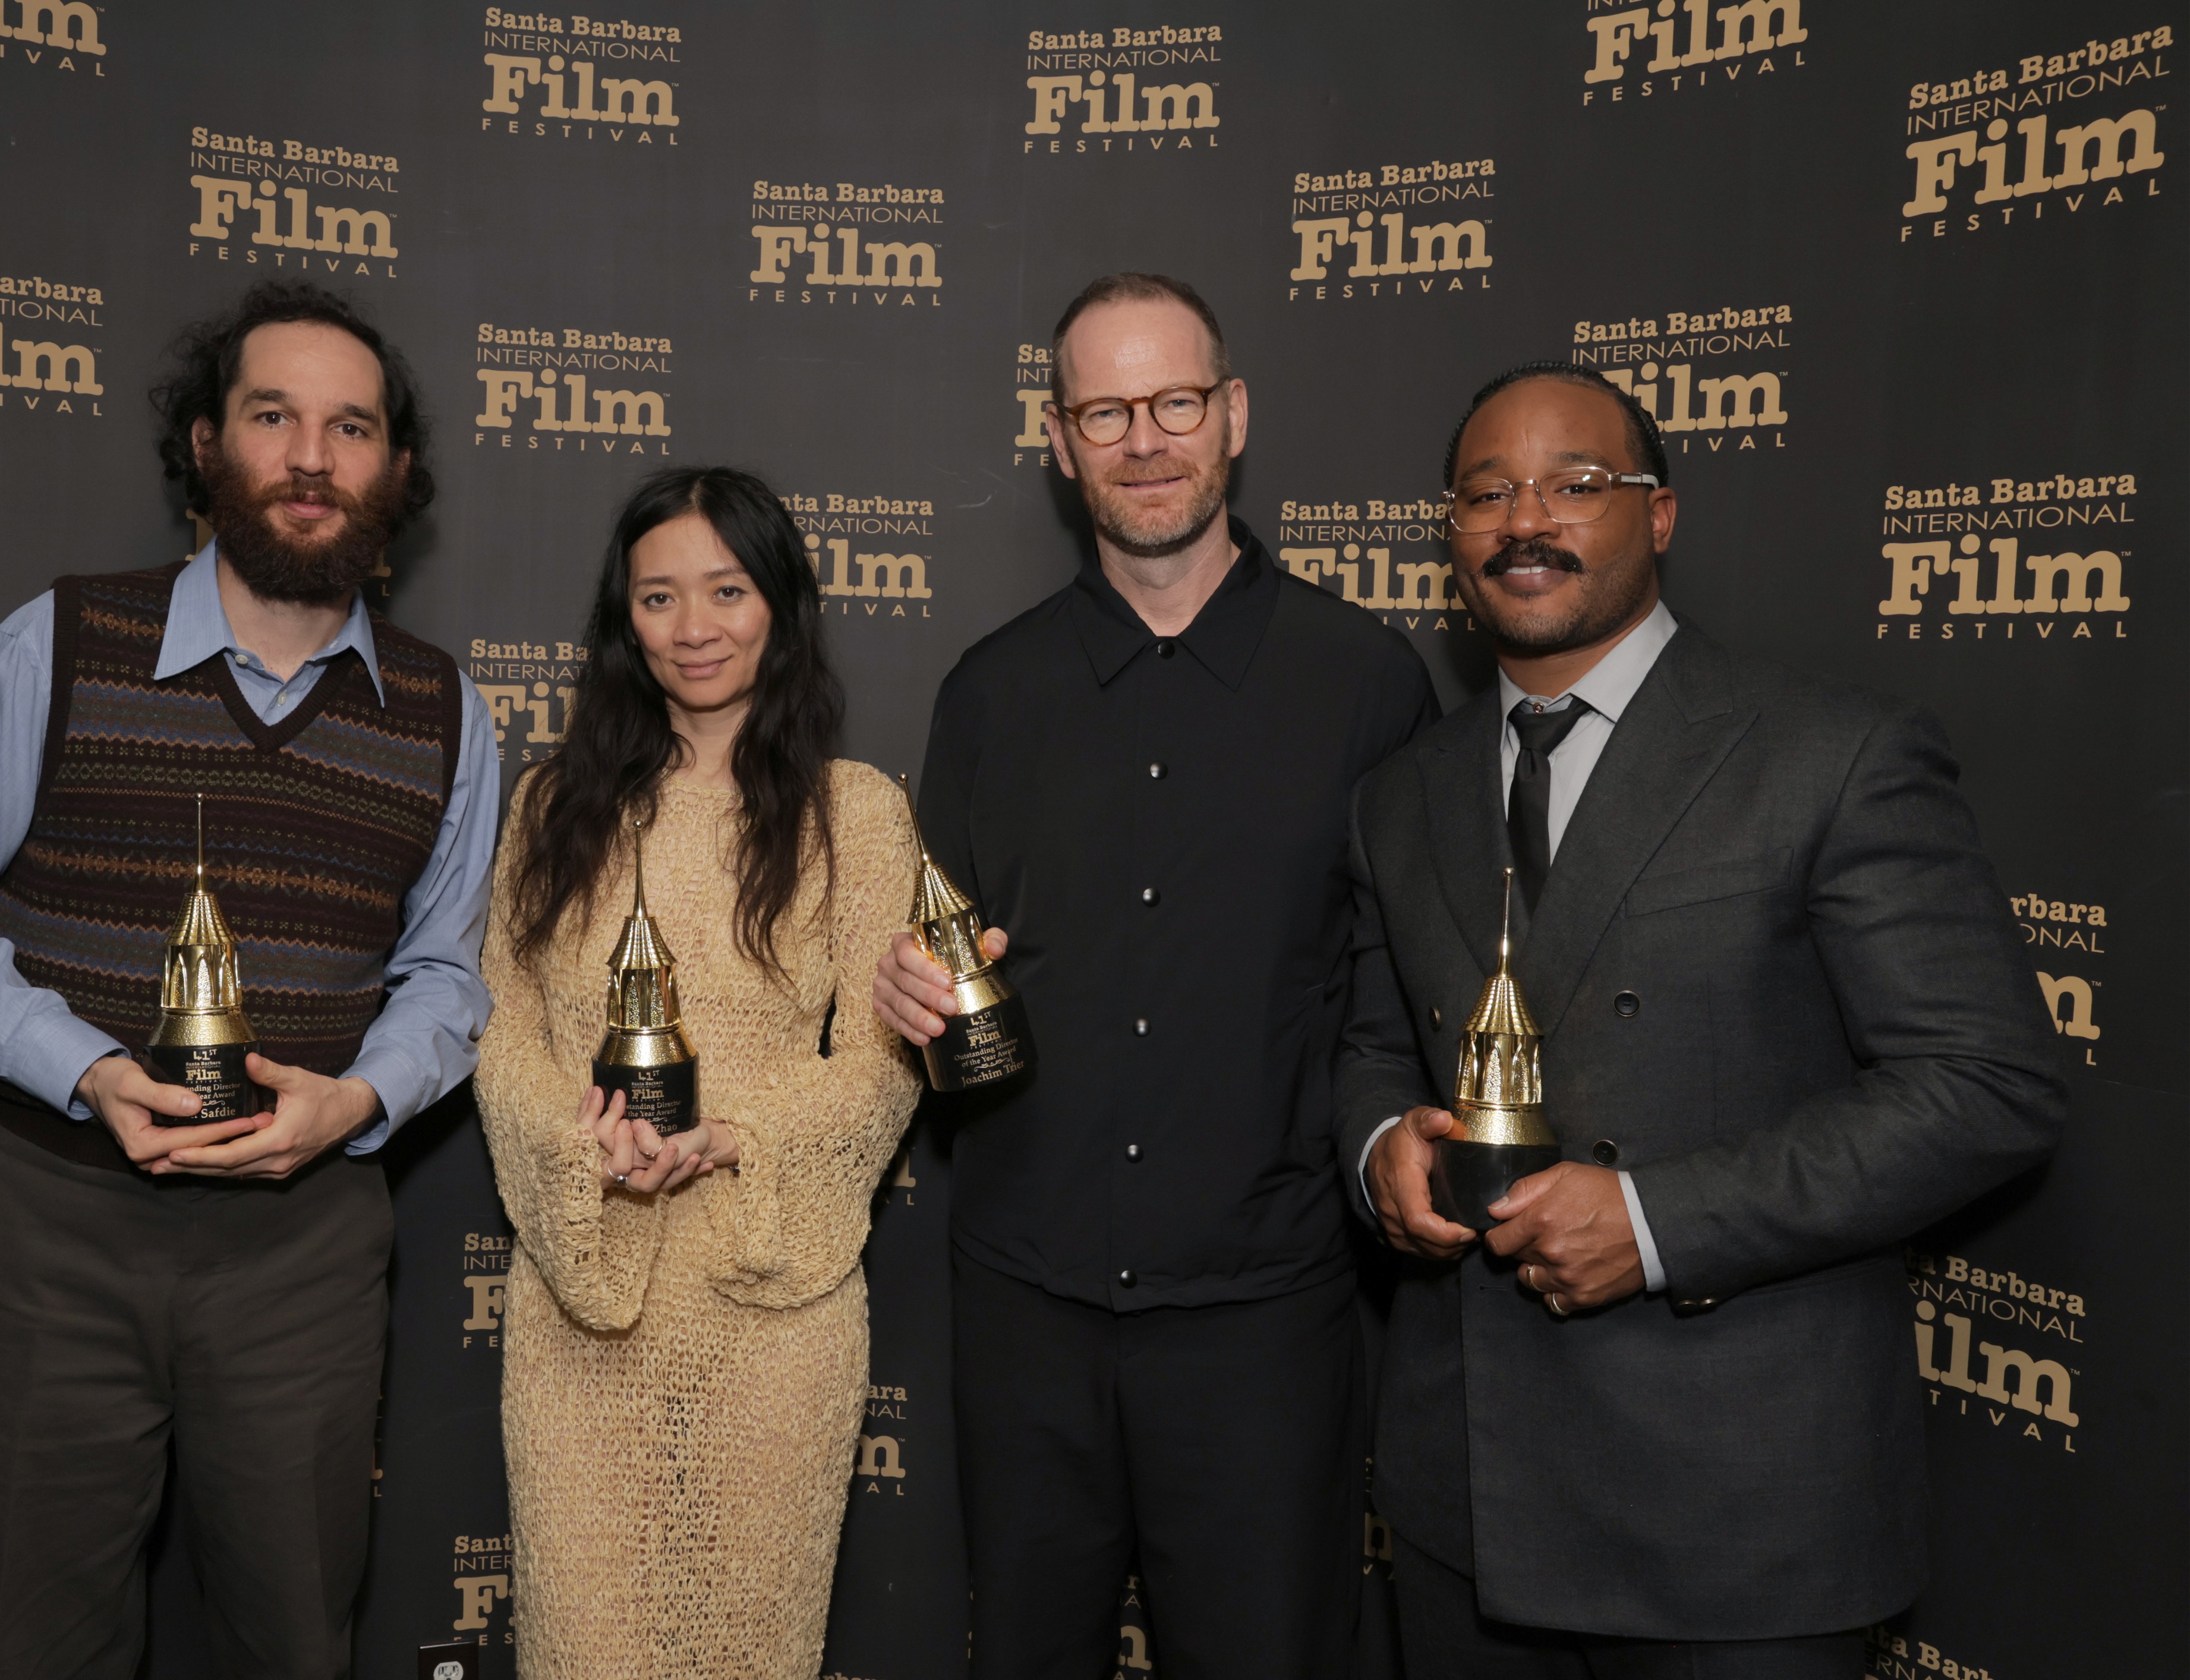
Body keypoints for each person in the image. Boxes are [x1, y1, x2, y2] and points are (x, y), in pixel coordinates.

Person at [1340, 363, 2064, 1677]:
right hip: (1466, 1505)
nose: (1525, 519)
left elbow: (1983, 1082)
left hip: (1738, 1520)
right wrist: (1383, 1142)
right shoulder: (1400, 792)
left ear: (1660, 514)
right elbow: (1378, 1042)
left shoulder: (1830, 752)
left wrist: (1658, 1222)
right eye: (1486, 494)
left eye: (1575, 483)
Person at [0, 280, 499, 1680]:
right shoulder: (63, 640)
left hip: (307, 1247)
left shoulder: (448, 714)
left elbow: (448, 974)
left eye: (351, 427)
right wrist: (80, 1066)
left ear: (394, 468)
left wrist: (360, 1103)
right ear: (207, 444)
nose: (311, 458)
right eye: (273, 416)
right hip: (56, 1226)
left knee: (294, 1640)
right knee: (45, 1644)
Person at [871, 273, 1439, 1677]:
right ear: (1058, 441)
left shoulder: (1368, 682)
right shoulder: (988, 693)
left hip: (1268, 1323)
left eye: (1175, 402)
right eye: (1105, 411)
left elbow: (1399, 1002)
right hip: (1027, 1313)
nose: (1144, 440)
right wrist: (908, 1003)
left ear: (1233, 414)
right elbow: (948, 971)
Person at [476, 467, 921, 1680]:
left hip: (774, 1306)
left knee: (749, 1649)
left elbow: (885, 1058)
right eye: (659, 596)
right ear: (625, 618)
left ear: (779, 603)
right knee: (582, 1647)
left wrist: (733, 1134)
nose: (694, 626)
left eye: (726, 591)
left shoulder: (855, 815)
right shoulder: (552, 806)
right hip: (581, 1300)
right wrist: (579, 1142)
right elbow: (503, 1029)